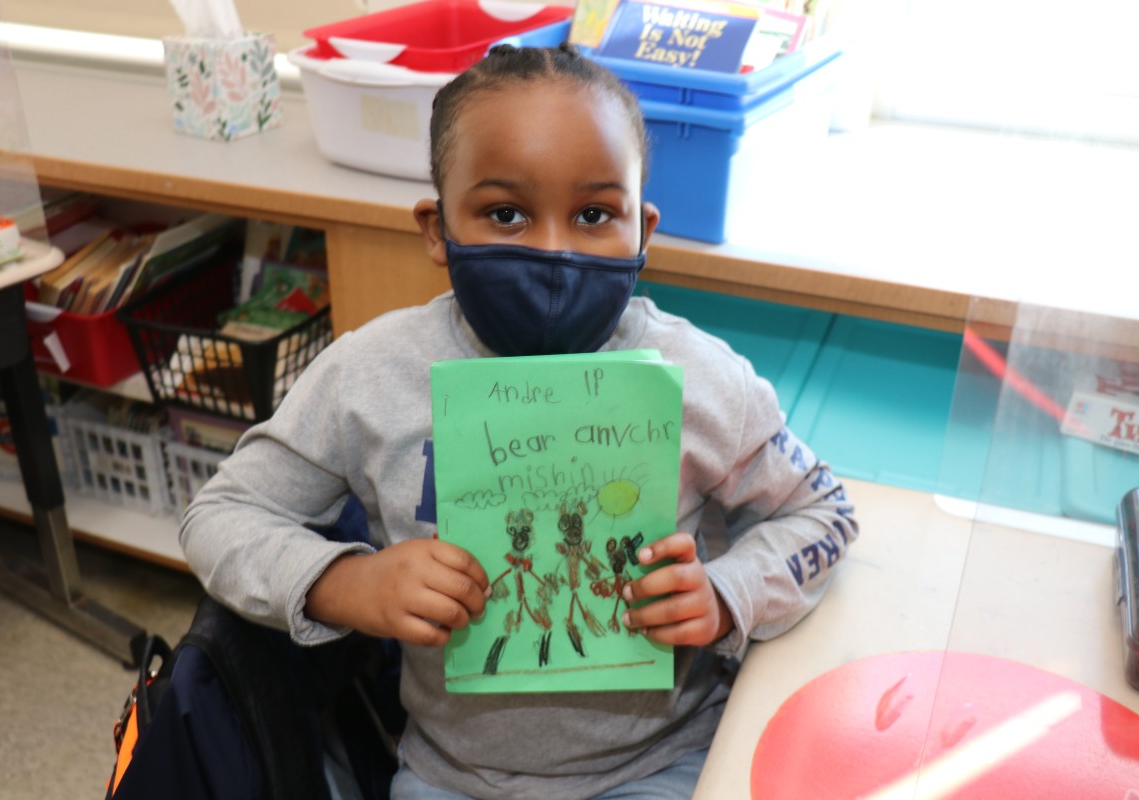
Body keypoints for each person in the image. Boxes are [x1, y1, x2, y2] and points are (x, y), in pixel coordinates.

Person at [181, 43, 858, 800]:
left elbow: (824, 511)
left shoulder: (701, 378)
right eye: (506, 214)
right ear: (438, 230)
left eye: (595, 214)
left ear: (643, 232)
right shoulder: (367, 378)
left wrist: (727, 593)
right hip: (452, 775)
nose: (553, 252)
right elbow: (219, 515)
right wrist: (345, 580)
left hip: (658, 764)